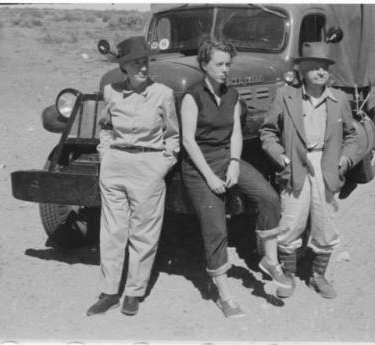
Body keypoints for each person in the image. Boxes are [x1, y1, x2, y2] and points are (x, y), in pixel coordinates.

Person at [180, 40, 291, 318]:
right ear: (204, 65)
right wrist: (210, 176)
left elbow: (236, 135)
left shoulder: (232, 95)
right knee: (216, 229)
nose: (225, 69)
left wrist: (232, 165)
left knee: (268, 198)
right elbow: (188, 141)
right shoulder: (192, 97)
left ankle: (270, 259)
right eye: (219, 64)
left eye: (228, 64)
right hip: (199, 166)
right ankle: (225, 295)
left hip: (226, 158)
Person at [86, 36, 180, 316]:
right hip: (115, 165)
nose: (142, 67)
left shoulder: (162, 93)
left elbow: (173, 136)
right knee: (112, 231)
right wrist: (106, 155)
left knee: (143, 233)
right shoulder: (110, 91)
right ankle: (109, 291)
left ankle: (134, 292)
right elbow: (104, 127)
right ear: (123, 66)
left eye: (145, 61)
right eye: (135, 62)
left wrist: (161, 165)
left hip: (148, 166)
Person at [260, 42, 359, 299]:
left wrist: (344, 160)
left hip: (326, 167)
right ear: (301, 71)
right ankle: (289, 275)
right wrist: (279, 156)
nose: (320, 72)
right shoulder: (286, 95)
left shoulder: (339, 100)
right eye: (313, 67)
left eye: (324, 67)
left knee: (326, 225)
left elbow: (351, 136)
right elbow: (268, 131)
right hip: (295, 166)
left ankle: (318, 276)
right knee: (291, 222)